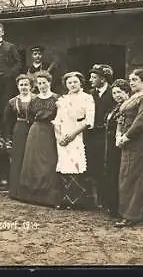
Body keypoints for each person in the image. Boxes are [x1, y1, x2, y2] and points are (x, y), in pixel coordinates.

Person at [114, 69, 143, 227]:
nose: (131, 82)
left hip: (141, 140)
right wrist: (118, 134)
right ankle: (142, 212)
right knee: (128, 174)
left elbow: (140, 121)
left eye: (135, 80)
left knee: (135, 176)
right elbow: (121, 116)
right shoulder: (133, 97)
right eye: (130, 79)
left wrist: (125, 137)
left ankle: (131, 215)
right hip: (129, 139)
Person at [17, 71, 61, 206]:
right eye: (39, 83)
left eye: (44, 83)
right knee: (32, 162)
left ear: (49, 83)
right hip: (35, 131)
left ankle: (48, 196)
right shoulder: (34, 100)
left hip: (50, 131)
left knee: (49, 161)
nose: (42, 86)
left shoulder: (57, 98)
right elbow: (30, 116)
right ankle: (32, 196)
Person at [53, 71, 95, 210]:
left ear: (81, 82)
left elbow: (88, 120)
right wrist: (60, 138)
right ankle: (66, 200)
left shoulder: (87, 98)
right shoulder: (62, 99)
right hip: (63, 135)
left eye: (75, 82)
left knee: (77, 165)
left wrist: (72, 135)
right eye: (69, 82)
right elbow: (58, 120)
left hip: (78, 134)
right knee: (65, 165)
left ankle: (79, 200)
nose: (72, 84)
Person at [86, 64, 115, 208]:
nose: (90, 79)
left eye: (94, 77)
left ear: (103, 79)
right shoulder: (91, 94)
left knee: (107, 165)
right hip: (92, 134)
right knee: (94, 164)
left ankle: (107, 199)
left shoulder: (113, 94)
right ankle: (95, 199)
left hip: (107, 134)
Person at [3, 74, 34, 200]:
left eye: (26, 84)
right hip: (19, 130)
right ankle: (16, 191)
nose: (24, 87)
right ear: (17, 86)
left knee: (32, 157)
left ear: (31, 86)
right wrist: (8, 137)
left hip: (34, 129)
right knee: (18, 158)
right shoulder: (12, 102)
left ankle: (32, 190)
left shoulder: (36, 99)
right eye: (21, 85)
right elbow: (7, 121)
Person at [104, 79, 131, 218]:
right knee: (112, 172)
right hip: (111, 144)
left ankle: (120, 208)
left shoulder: (128, 106)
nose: (116, 95)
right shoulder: (116, 107)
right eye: (114, 93)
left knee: (119, 174)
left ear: (127, 92)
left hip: (121, 145)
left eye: (119, 92)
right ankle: (113, 206)